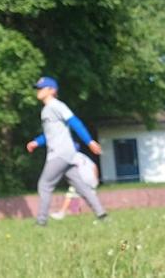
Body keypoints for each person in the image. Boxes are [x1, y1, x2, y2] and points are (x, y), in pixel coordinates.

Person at [26, 76, 107, 226]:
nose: (38, 91)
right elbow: (50, 134)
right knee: (81, 186)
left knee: (44, 184)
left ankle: (41, 221)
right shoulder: (46, 110)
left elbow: (75, 122)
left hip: (60, 153)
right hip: (66, 154)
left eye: (41, 88)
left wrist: (89, 141)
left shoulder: (56, 105)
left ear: (52, 90)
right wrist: (36, 142)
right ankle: (102, 214)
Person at [50, 146, 100, 220]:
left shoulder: (72, 157)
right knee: (91, 195)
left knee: (69, 194)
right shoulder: (83, 156)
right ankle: (100, 212)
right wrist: (95, 178)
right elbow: (94, 166)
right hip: (91, 177)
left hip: (82, 178)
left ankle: (62, 213)